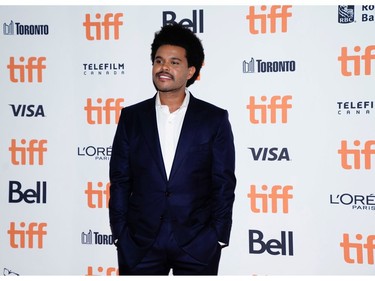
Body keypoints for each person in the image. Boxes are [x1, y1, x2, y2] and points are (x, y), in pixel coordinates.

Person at [109, 23, 236, 275]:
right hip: (139, 243)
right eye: (159, 60)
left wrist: (218, 237)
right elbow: (120, 180)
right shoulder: (131, 118)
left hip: (197, 244)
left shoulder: (214, 119)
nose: (164, 67)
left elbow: (223, 182)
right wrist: (120, 235)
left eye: (174, 62)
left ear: (191, 71)